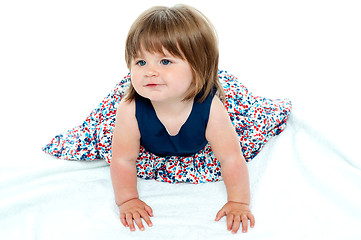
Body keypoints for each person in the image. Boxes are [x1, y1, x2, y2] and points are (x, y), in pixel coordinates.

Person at [110, 4, 256, 234]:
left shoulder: (211, 108)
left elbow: (230, 158)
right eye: (140, 62)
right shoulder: (130, 110)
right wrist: (127, 199)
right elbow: (123, 160)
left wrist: (239, 202)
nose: (150, 71)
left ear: (198, 68)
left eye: (165, 62)